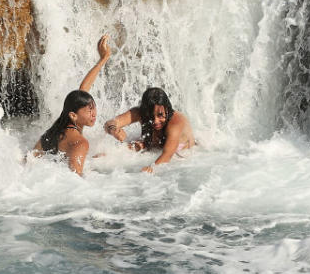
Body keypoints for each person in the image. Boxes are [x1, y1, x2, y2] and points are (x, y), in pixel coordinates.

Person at [33, 34, 111, 175]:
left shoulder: (58, 128)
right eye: (89, 110)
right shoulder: (79, 143)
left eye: (94, 107)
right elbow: (76, 179)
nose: (94, 114)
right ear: (73, 115)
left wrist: (103, 58)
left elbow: (83, 89)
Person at [104, 87, 196, 173]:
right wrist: (114, 130)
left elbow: (167, 155)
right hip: (156, 147)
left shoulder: (176, 122)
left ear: (167, 109)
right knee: (126, 148)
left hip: (182, 155)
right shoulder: (140, 113)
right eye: (150, 116)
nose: (155, 121)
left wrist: (151, 168)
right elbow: (109, 123)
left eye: (160, 115)